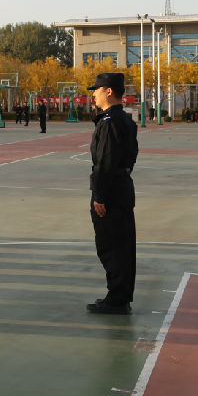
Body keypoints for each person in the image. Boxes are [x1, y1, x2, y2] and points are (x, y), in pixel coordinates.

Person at [86, 73, 139, 315]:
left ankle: (117, 299)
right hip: (123, 185)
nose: (93, 94)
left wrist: (99, 195)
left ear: (109, 91)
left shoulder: (109, 122)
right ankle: (120, 295)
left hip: (110, 191)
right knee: (123, 244)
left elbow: (105, 162)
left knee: (111, 245)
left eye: (96, 90)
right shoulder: (125, 119)